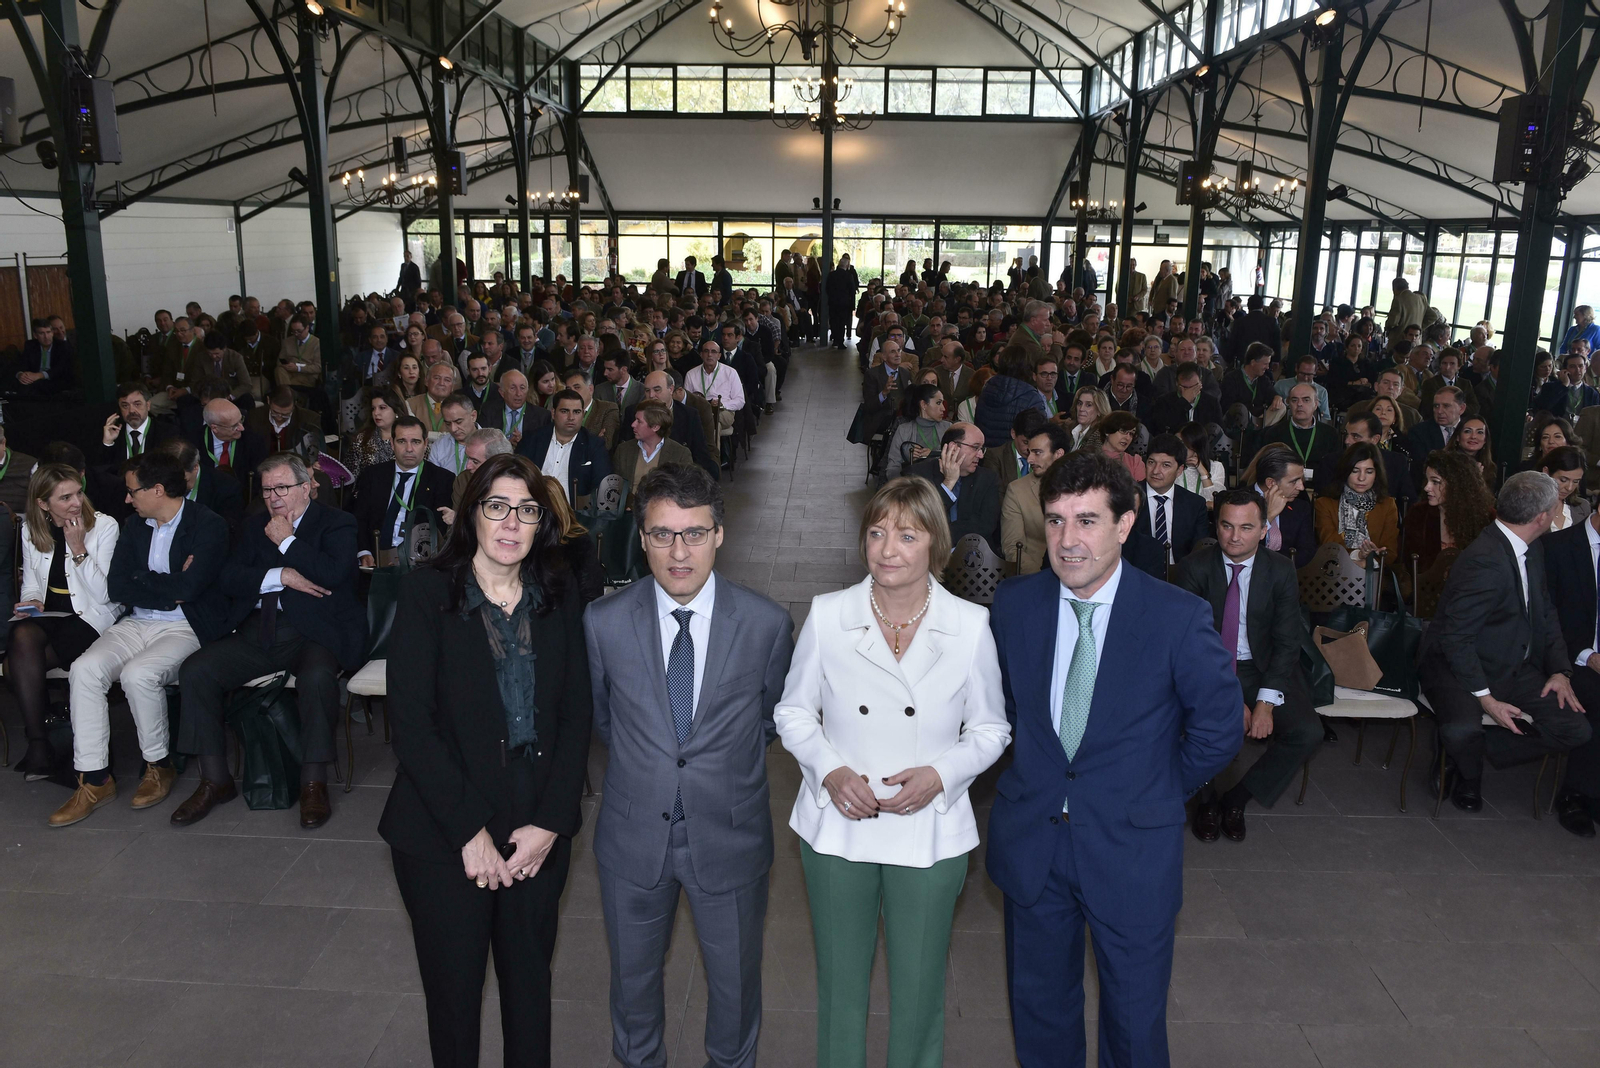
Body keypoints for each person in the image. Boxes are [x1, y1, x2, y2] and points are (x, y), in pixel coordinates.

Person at [987, 450, 1241, 1068]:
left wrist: (1151, 789)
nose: (1066, 540)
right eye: (1054, 521)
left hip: (1132, 850)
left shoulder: (1177, 617)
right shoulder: (1014, 606)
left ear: (1125, 525)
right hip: (1035, 846)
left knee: (1133, 1024)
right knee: (1040, 1011)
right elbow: (1009, 713)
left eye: (1087, 521)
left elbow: (1219, 727)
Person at [775, 476, 1009, 1068]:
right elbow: (794, 712)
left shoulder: (969, 626)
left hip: (928, 829)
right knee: (841, 992)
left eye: (907, 535)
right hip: (838, 828)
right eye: (877, 533)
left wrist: (941, 774)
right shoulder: (830, 615)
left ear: (936, 544)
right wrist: (829, 771)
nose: (888, 549)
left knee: (920, 992)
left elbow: (990, 730)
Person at [382, 452, 592, 1068]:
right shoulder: (428, 592)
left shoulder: (557, 597)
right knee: (453, 1000)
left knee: (530, 991)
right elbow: (412, 725)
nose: (511, 523)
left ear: (541, 524)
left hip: (535, 821)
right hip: (441, 828)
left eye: (526, 511)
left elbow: (577, 715)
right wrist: (467, 830)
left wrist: (553, 821)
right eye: (496, 506)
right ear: (472, 514)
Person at [583, 463, 794, 1068]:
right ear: (641, 536)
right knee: (632, 993)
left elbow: (770, 718)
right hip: (631, 838)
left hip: (728, 836)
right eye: (662, 534)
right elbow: (605, 720)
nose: (679, 552)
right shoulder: (603, 623)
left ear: (719, 535)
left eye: (694, 534)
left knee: (734, 994)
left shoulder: (766, 624)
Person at [172, 454, 366, 828]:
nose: (274, 497)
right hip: (259, 629)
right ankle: (215, 779)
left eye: (282, 488)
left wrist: (289, 542)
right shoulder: (254, 525)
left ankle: (313, 782)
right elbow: (229, 576)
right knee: (196, 671)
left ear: (307, 486)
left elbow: (335, 573)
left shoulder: (337, 522)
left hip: (314, 631)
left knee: (316, 679)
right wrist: (280, 574)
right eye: (266, 490)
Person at [48, 454, 231, 828]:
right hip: (136, 622)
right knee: (83, 670)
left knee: (138, 674)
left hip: (186, 626)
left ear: (158, 490)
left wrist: (147, 581)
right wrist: (168, 587)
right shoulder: (135, 526)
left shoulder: (208, 525)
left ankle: (158, 765)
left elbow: (192, 588)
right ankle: (95, 780)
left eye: (132, 492)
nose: (127, 500)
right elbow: (119, 586)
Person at [1420, 472, 1592, 812]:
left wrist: (1560, 671)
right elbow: (1456, 640)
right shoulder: (1486, 560)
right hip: (1459, 664)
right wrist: (1487, 700)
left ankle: (1475, 751)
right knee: (1460, 729)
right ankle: (1466, 767)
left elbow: (1546, 612)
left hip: (1513, 663)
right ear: (1542, 517)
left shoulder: (1534, 548)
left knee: (1576, 730)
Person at [1177, 488, 1322, 843]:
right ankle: (1207, 801)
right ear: (1217, 525)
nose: (1235, 537)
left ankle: (1237, 799)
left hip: (1262, 665)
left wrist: (1265, 703)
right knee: (1194, 723)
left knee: (1308, 732)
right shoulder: (1193, 568)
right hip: (1208, 669)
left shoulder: (1280, 570)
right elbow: (1188, 647)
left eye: (1245, 528)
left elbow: (1287, 641)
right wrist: (1230, 700)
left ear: (1263, 530)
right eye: (1226, 526)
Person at [7, 465, 119, 781]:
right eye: (65, 497)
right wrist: (31, 600)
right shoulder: (32, 528)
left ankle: (41, 745)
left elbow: (105, 594)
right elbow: (31, 581)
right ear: (43, 504)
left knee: (16, 666)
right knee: (22, 634)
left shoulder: (105, 526)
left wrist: (78, 547)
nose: (75, 502)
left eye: (78, 493)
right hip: (52, 613)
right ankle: (41, 743)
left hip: (91, 615)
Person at [1540, 502, 1600, 835]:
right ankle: (1577, 794)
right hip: (1568, 658)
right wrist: (1587, 654)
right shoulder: (1558, 548)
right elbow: (1547, 619)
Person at [347, 416, 454, 564]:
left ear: (425, 444)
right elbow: (359, 517)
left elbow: (439, 528)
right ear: (392, 444)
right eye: (401, 441)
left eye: (415, 442)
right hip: (375, 557)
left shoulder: (442, 479)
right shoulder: (373, 475)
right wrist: (364, 552)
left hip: (418, 562)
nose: (409, 449)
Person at [1405, 449, 1497, 583]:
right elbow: (1408, 564)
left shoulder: (1487, 517)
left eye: (1435, 482)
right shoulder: (1418, 513)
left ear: (1456, 484)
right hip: (1425, 595)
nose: (1427, 487)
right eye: (1427, 480)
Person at [908, 423, 1001, 553]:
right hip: (928, 554)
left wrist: (938, 535)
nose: (981, 455)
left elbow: (985, 525)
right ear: (953, 447)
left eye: (982, 449)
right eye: (975, 448)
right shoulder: (919, 475)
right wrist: (949, 482)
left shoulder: (987, 479)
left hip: (975, 557)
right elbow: (920, 520)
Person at [1311, 441, 1401, 565]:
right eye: (1355, 471)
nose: (1361, 478)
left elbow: (1390, 552)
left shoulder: (1387, 505)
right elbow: (1330, 546)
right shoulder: (1324, 504)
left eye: (1369, 472)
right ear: (1346, 471)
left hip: (1376, 575)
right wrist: (1358, 556)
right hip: (1335, 574)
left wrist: (1370, 562)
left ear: (1377, 474)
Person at [521, 390, 613, 508]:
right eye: (565, 411)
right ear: (553, 413)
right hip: (533, 510)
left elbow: (602, 487)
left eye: (576, 412)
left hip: (574, 516)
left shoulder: (594, 445)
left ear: (583, 415)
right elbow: (518, 476)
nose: (571, 417)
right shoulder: (532, 439)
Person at [1001, 420, 1070, 575]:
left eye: (1037, 453)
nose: (1029, 459)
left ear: (1058, 454)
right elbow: (1012, 548)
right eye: (1029, 452)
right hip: (1035, 576)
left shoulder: (1084, 487)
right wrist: (1042, 578)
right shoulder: (1017, 490)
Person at [1140, 433, 1209, 565]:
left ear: (1179, 470)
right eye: (1151, 462)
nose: (1155, 471)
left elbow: (1199, 553)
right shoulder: (1128, 498)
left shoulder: (1194, 504)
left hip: (1181, 575)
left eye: (1165, 465)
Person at [1243, 444, 1316, 565]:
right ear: (1271, 483)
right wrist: (1268, 517)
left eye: (1301, 480)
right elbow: (1239, 547)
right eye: (1294, 481)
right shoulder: (1235, 503)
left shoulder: (1301, 508)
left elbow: (1307, 553)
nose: (1301, 487)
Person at [611, 401, 692, 495]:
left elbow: (685, 491)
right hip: (629, 508)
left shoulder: (680, 454)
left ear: (655, 427)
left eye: (639, 421)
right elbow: (614, 487)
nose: (633, 424)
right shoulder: (623, 450)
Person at [883, 383, 949, 481]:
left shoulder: (948, 428)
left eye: (942, 403)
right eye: (938, 403)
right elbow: (892, 468)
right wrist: (909, 461)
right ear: (923, 405)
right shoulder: (904, 430)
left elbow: (958, 459)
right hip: (913, 489)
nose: (943, 408)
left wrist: (933, 454)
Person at [347, 385, 404, 477]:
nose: (376, 413)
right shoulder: (362, 439)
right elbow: (349, 476)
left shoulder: (410, 439)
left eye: (382, 408)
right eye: (373, 408)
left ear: (396, 411)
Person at [427, 393, 479, 475]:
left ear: (473, 416)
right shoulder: (439, 446)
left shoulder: (493, 443)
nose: (453, 429)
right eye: (448, 424)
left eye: (458, 422)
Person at [1542, 446, 1591, 532]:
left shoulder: (1583, 507)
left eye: (1576, 481)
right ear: (1546, 472)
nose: (1569, 488)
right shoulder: (1528, 506)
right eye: (1563, 480)